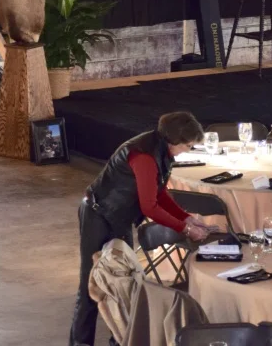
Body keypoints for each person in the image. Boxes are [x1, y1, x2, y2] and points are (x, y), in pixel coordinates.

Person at [70, 111, 212, 346]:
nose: (188, 150)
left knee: (125, 283)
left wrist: (186, 219)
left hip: (120, 218)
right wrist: (185, 230)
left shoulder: (160, 149)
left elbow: (159, 193)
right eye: (188, 146)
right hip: (98, 215)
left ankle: (121, 341)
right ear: (174, 140)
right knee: (91, 284)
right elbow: (150, 207)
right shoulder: (144, 155)